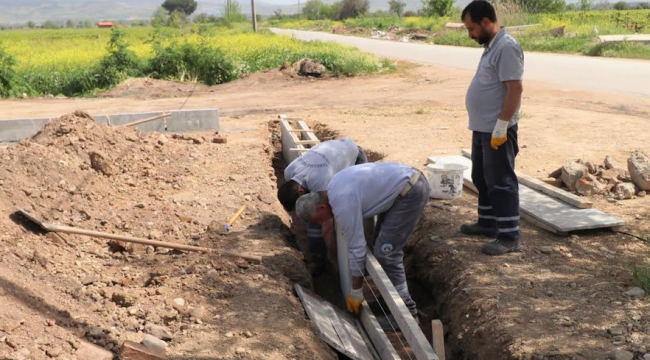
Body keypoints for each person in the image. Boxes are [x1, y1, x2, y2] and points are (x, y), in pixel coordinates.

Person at [295, 162, 429, 318]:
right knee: (381, 245)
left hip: (410, 191)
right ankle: (388, 302)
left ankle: (406, 310)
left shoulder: (342, 205)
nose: (320, 224)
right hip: (402, 186)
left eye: (317, 220)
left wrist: (356, 290)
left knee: (387, 253)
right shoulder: (332, 188)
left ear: (321, 208)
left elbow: (357, 249)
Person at [461, 0, 524, 256]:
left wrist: (502, 125)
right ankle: (488, 222)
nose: (470, 34)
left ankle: (509, 236)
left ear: (486, 22)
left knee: (500, 181)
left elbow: (515, 89)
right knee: (482, 177)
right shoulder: (491, 46)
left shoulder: (507, 47)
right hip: (482, 127)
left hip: (497, 129)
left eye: (471, 28)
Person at [277, 138, 367, 274]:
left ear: (301, 190)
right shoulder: (290, 172)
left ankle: (365, 252)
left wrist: (332, 257)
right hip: (333, 149)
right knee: (312, 214)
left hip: (354, 156)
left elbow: (328, 225)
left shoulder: (321, 182)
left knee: (359, 207)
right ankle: (317, 257)